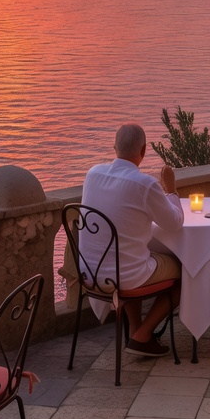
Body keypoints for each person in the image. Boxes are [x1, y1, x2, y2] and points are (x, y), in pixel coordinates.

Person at [79, 123, 183, 357]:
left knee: (134, 257)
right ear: (144, 151)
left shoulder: (92, 173)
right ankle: (142, 334)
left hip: (90, 271)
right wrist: (172, 190)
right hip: (123, 274)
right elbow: (174, 223)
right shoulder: (145, 184)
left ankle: (136, 330)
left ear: (114, 147)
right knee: (188, 270)